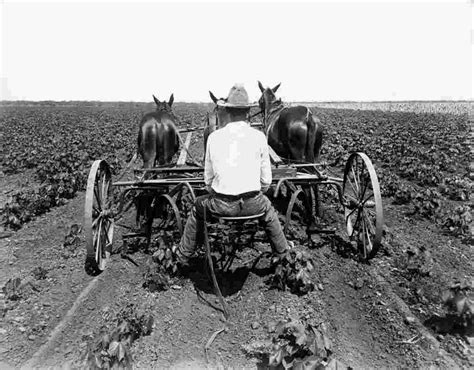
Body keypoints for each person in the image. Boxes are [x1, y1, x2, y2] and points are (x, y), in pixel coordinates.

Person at [175, 84, 292, 265]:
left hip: (221, 205)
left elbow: (207, 181)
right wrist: (253, 192)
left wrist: (220, 191)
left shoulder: (214, 138)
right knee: (268, 209)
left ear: (228, 112)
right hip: (254, 204)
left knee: (198, 208)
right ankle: (284, 255)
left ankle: (182, 256)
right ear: (247, 112)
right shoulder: (260, 136)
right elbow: (266, 181)